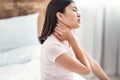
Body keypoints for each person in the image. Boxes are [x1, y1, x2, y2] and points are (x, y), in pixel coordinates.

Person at [39, 0, 110, 80]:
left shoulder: (68, 37)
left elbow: (92, 64)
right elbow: (86, 70)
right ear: (60, 16)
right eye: (74, 10)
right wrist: (72, 40)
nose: (79, 15)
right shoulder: (53, 47)